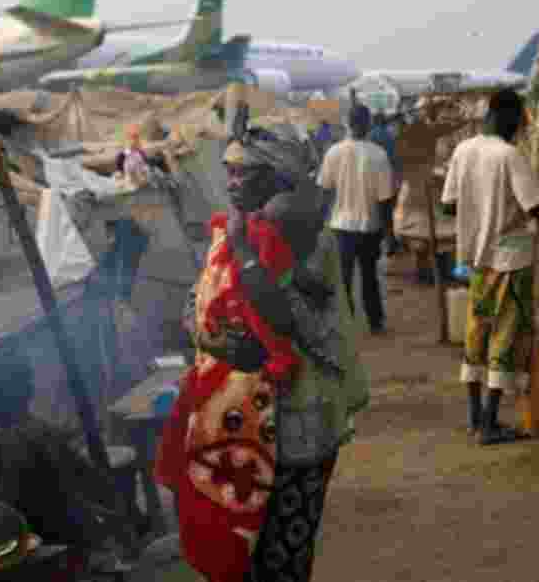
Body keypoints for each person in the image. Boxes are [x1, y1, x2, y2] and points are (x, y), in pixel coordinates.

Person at [155, 101, 368, 582]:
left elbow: (293, 320)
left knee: (283, 558)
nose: (230, 183)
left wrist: (246, 250)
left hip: (299, 428)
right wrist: (213, 340)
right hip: (238, 426)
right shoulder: (230, 232)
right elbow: (196, 304)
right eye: (227, 173)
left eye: (242, 174)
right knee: (238, 554)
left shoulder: (311, 243)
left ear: (275, 178)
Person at [440, 88, 539, 446]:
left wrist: (478, 210)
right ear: (512, 118)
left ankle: (474, 417)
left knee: (476, 332)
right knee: (505, 336)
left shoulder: (463, 150)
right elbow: (535, 207)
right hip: (510, 258)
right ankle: (490, 423)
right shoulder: (510, 156)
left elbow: (449, 206)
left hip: (476, 260)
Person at [0, 349, 149, 571]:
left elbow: (4, 513)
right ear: (28, 390)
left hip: (54, 553)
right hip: (76, 539)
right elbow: (88, 479)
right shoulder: (41, 431)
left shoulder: (12, 442)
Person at [318, 106, 395, 335]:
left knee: (343, 281)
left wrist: (318, 223)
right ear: (368, 124)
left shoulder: (334, 152)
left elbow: (324, 192)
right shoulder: (378, 155)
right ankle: (375, 322)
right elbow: (385, 200)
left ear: (348, 123)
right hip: (370, 227)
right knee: (369, 276)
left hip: (341, 227)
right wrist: (389, 234)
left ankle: (347, 324)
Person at [369, 111, 402, 255]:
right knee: (388, 213)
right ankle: (391, 242)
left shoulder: (370, 136)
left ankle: (385, 243)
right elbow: (396, 159)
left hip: (374, 181)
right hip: (389, 180)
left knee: (379, 214)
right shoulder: (390, 136)